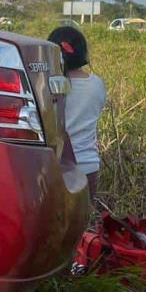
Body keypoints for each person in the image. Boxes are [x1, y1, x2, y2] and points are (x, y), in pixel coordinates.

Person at [48, 26, 107, 199]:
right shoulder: (97, 84)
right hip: (89, 166)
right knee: (85, 223)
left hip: (58, 167)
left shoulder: (48, 85)